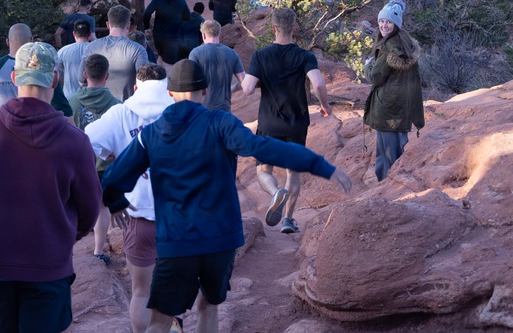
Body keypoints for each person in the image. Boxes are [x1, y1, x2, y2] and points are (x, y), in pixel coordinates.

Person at [102, 60, 352, 333]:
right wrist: (320, 166)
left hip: (176, 242)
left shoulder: (151, 134)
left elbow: (114, 177)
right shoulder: (220, 123)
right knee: (209, 306)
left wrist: (115, 202)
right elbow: (264, 148)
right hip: (219, 240)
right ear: (205, 91)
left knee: (161, 321)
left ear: (170, 93)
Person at [0, 41, 102, 333]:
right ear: (54, 79)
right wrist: (61, 236)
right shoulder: (75, 141)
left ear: (14, 78)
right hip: (50, 268)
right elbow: (89, 209)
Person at [85, 63, 170, 333]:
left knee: (141, 293)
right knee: (173, 294)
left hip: (138, 214)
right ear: (167, 87)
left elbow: (86, 143)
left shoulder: (121, 114)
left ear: (136, 88)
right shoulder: (179, 112)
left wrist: (111, 160)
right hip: (179, 218)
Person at [240, 8, 334, 234]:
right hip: (296, 123)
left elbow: (248, 89)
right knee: (293, 172)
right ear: (294, 27)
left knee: (263, 171)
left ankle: (274, 193)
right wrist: (324, 105)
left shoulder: (260, 56)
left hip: (268, 123)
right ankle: (288, 220)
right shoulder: (305, 56)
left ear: (273, 28)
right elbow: (318, 84)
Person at [363, 0, 425, 182]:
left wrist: (367, 66)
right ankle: (394, 184)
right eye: (381, 21)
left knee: (385, 154)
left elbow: (376, 77)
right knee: (398, 147)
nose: (383, 25)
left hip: (387, 108)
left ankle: (386, 189)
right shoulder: (405, 41)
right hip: (402, 104)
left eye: (388, 22)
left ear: (396, 24)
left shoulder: (389, 47)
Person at [69, 53, 122, 265]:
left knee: (71, 208)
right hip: (104, 166)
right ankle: (98, 250)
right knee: (102, 208)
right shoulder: (117, 106)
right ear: (107, 76)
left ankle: (67, 250)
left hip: (76, 166)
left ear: (84, 75)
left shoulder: (70, 103)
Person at [0, 22, 71, 117]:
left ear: (7, 42)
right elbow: (62, 108)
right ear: (31, 40)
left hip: (5, 126)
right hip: (38, 128)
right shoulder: (43, 67)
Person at [86, 5, 150, 101]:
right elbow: (145, 82)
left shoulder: (91, 47)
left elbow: (81, 80)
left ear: (108, 25)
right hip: (126, 109)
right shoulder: (138, 49)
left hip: (98, 108)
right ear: (128, 25)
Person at [189, 20, 245, 113]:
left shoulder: (196, 53)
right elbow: (243, 81)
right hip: (224, 110)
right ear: (219, 34)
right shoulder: (232, 53)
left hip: (202, 110)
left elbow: (190, 82)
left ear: (203, 35)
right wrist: (231, 89)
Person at [142, 0, 191, 66]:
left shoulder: (157, 0)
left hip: (158, 36)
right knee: (170, 63)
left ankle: (159, 75)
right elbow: (187, 18)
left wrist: (147, 27)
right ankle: (167, 78)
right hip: (173, 37)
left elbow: (147, 13)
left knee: (161, 57)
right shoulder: (181, 1)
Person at [58, 20, 93, 99]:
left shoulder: (63, 51)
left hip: (69, 99)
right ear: (90, 33)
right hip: (91, 99)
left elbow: (55, 75)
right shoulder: (97, 49)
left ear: (74, 33)